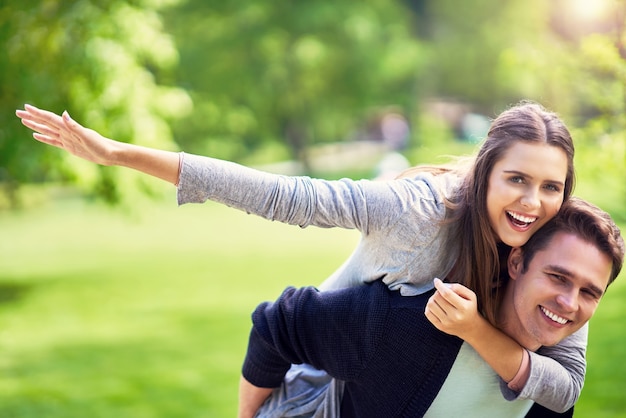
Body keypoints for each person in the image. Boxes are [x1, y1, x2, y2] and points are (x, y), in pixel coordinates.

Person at [16, 102, 579, 413]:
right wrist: (117, 153)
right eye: (516, 179)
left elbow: (566, 384)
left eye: (551, 187)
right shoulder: (419, 211)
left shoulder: (553, 252)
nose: (532, 203)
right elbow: (285, 196)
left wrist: (479, 330)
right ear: (485, 172)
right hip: (318, 381)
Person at [238, 197, 624, 417]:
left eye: (589, 292)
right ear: (516, 263)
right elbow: (277, 326)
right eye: (557, 277)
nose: (568, 303)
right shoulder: (406, 322)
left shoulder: (549, 390)